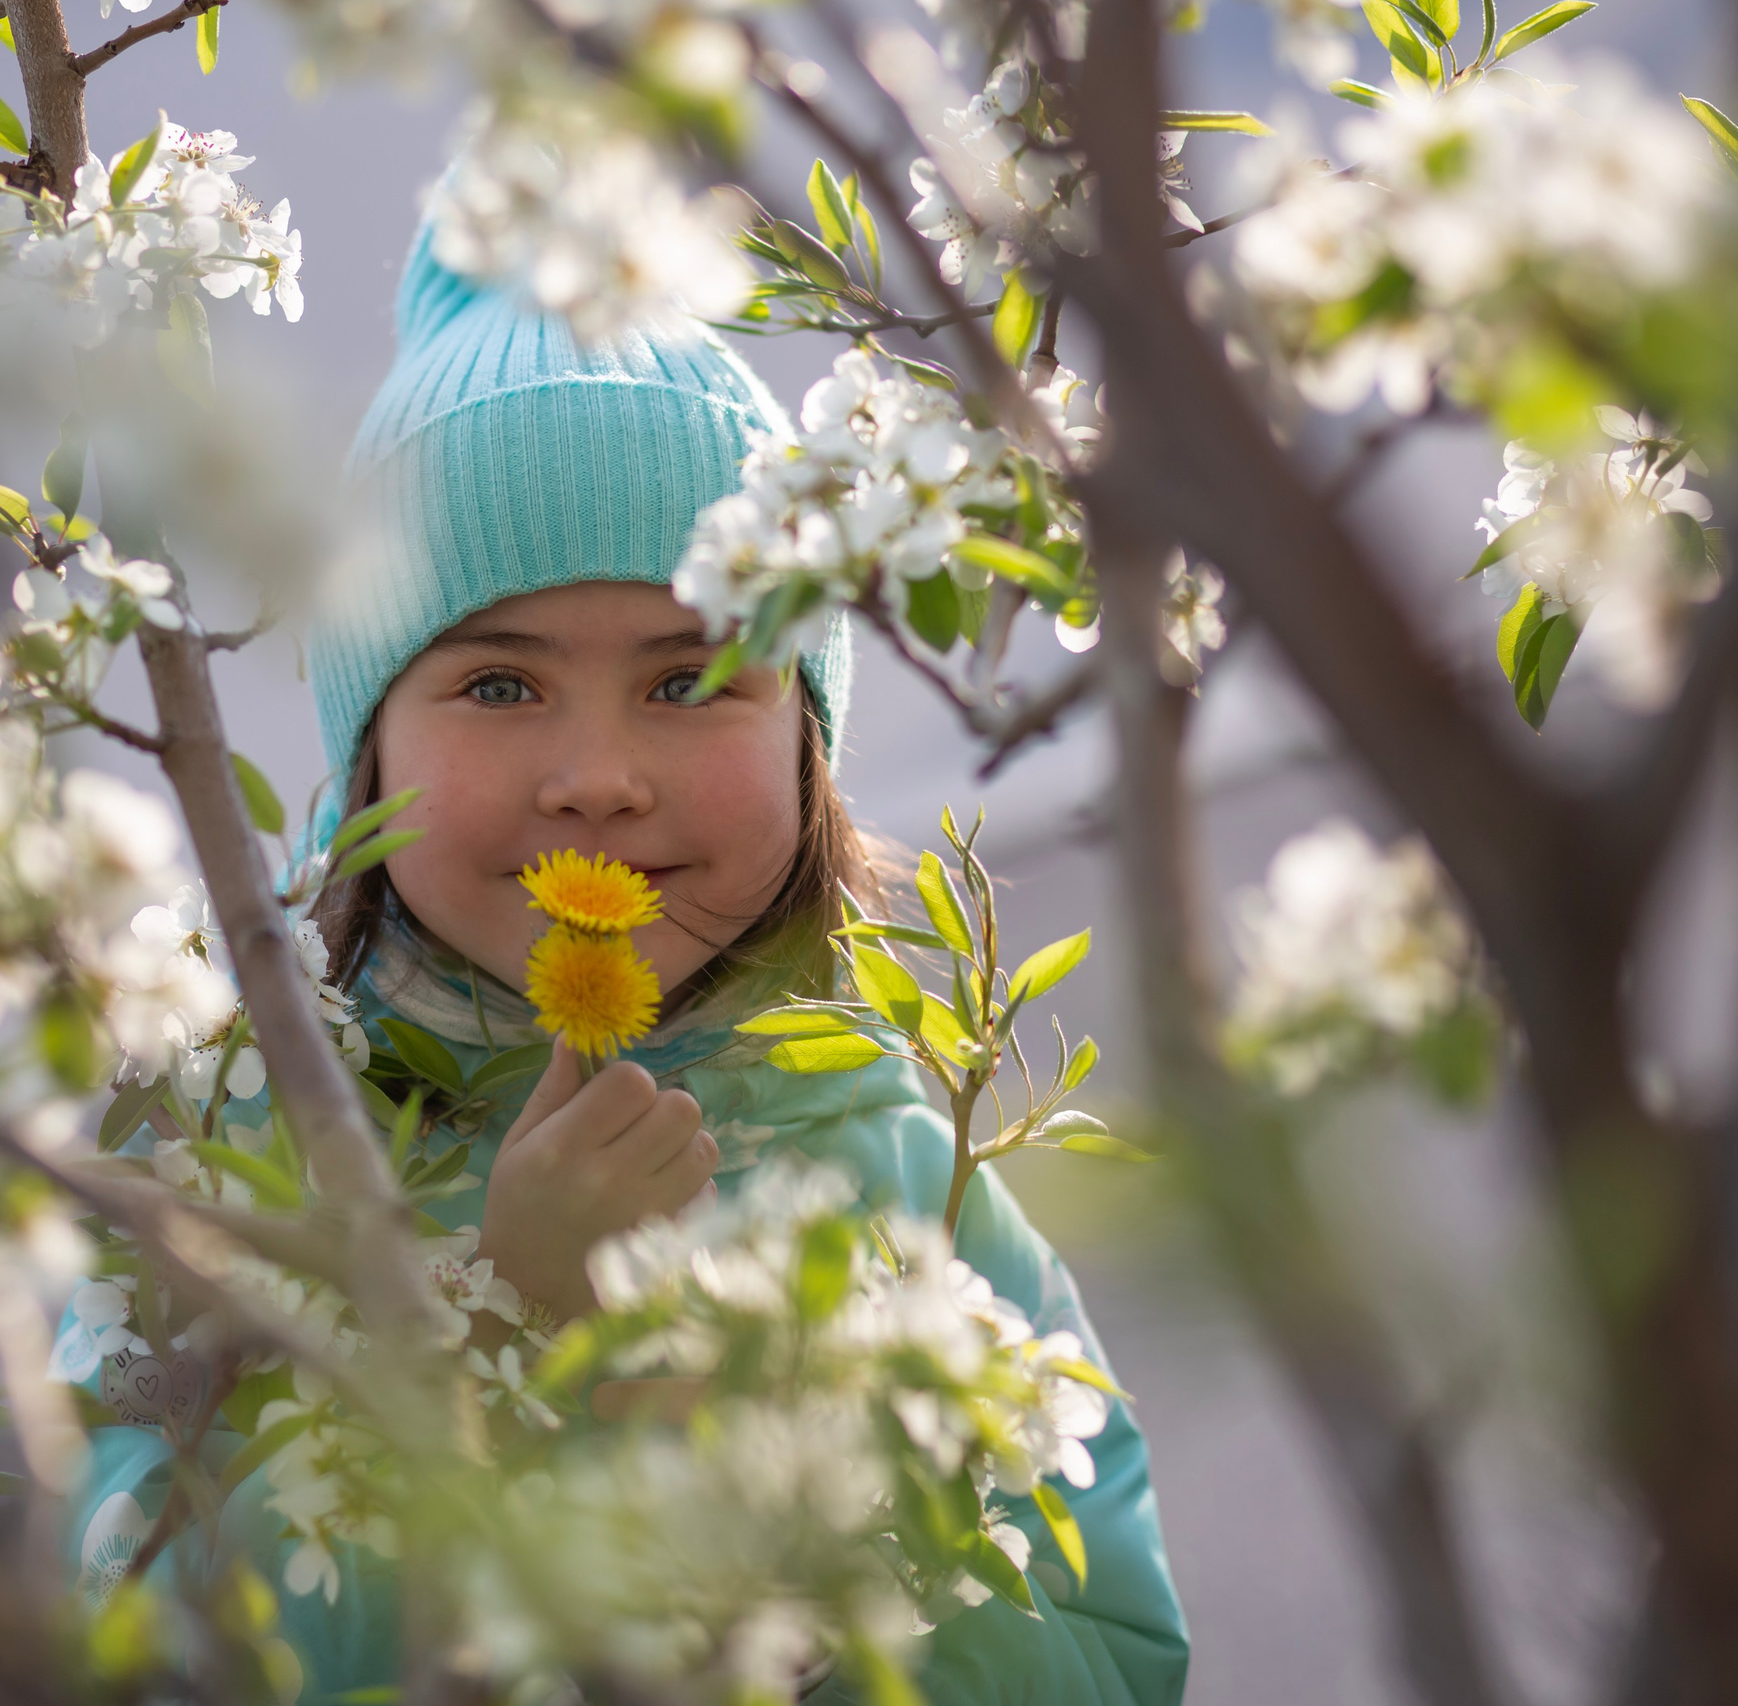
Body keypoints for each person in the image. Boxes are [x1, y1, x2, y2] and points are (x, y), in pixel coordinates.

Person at [59, 213, 1189, 1703]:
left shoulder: (894, 1152)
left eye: (691, 676)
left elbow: (1112, 1648)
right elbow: (132, 1616)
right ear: (363, 748)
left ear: (811, 739)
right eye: (503, 681)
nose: (598, 775)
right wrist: (501, 1333)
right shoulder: (219, 1130)